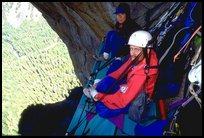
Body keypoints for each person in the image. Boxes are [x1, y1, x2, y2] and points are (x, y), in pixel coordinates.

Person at [84, 30, 159, 118]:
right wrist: (98, 85)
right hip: (130, 84)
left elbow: (122, 100)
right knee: (105, 83)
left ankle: (96, 98)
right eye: (131, 48)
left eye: (136, 49)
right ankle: (98, 92)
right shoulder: (141, 55)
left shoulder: (142, 74)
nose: (132, 53)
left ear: (148, 50)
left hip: (135, 98)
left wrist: (97, 95)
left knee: (103, 111)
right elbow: (121, 71)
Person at [93, 3, 142, 75]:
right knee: (110, 33)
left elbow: (131, 44)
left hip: (129, 47)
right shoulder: (119, 24)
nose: (119, 16)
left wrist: (119, 54)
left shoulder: (131, 26)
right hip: (122, 44)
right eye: (117, 14)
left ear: (127, 14)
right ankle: (105, 56)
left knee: (114, 36)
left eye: (122, 13)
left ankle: (115, 60)